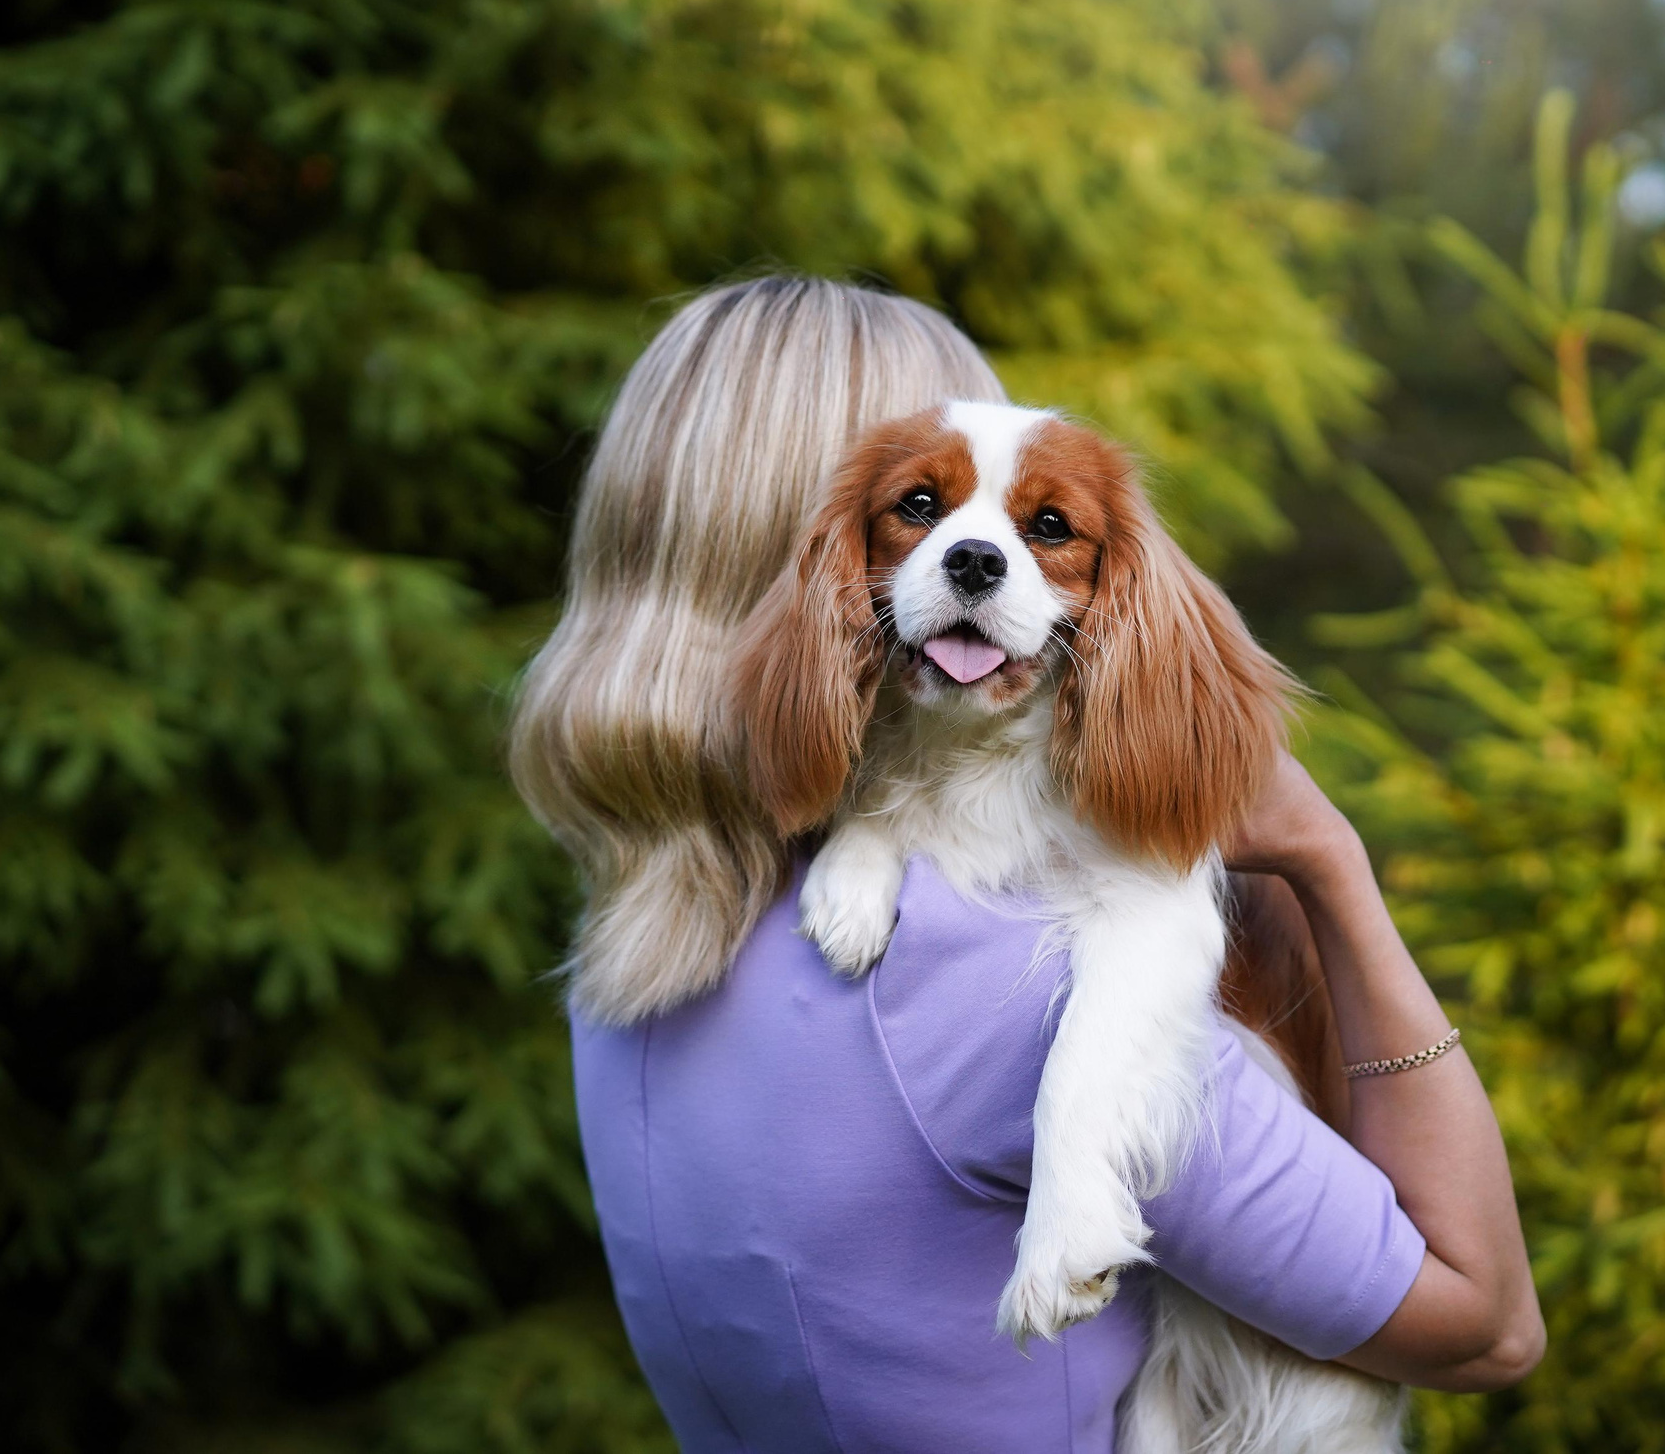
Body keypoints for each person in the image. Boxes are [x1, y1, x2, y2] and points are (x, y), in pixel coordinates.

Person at [511, 275, 1542, 1449]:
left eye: (1036, 522)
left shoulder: (632, 953)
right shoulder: (1023, 993)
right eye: (921, 498)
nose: (978, 546)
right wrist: (1325, 860)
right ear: (817, 543)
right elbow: (1485, 1327)